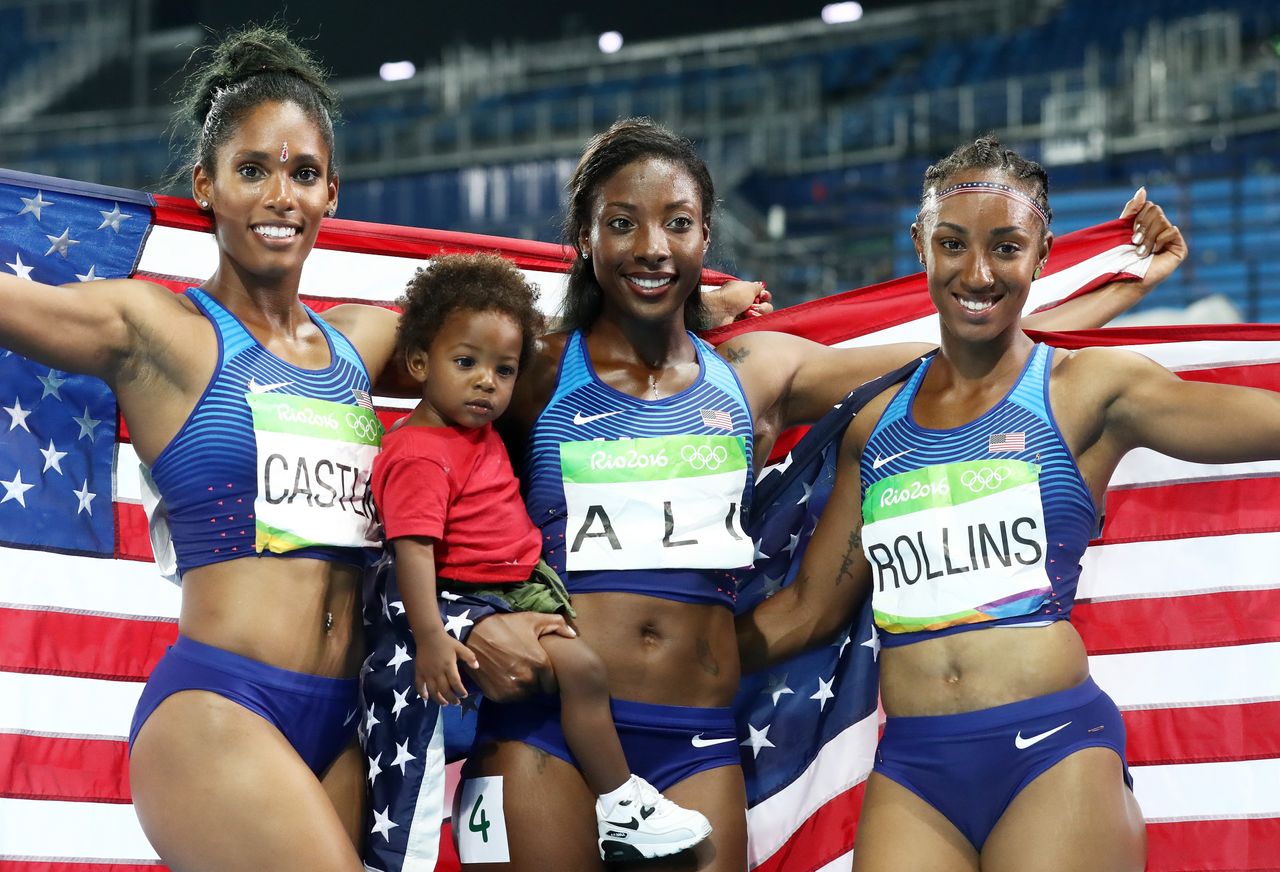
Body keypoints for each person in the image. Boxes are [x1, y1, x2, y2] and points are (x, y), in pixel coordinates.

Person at [450, 118, 1187, 872]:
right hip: (546, 729)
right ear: (583, 235)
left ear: (706, 238)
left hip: (694, 742)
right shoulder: (531, 368)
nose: (651, 248)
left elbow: (967, 353)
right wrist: (468, 622)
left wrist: (1119, 286)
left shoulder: (755, 372)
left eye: (677, 223)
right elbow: (396, 449)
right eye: (621, 223)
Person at [733, 135, 1272, 872]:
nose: (977, 271)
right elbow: (808, 609)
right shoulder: (874, 424)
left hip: (1052, 754)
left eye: (1006, 247)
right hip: (915, 771)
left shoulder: (1088, 392)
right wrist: (660, 661)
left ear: (1042, 254)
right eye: (953, 244)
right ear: (921, 243)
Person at [365, 253, 712, 867]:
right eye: (465, 363)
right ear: (419, 363)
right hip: (481, 598)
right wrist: (432, 636)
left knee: (578, 670)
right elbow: (412, 551)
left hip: (523, 586)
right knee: (584, 671)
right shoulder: (420, 453)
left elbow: (574, 325)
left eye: (504, 370)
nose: (486, 383)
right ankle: (620, 804)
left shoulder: (472, 432)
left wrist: (714, 306)